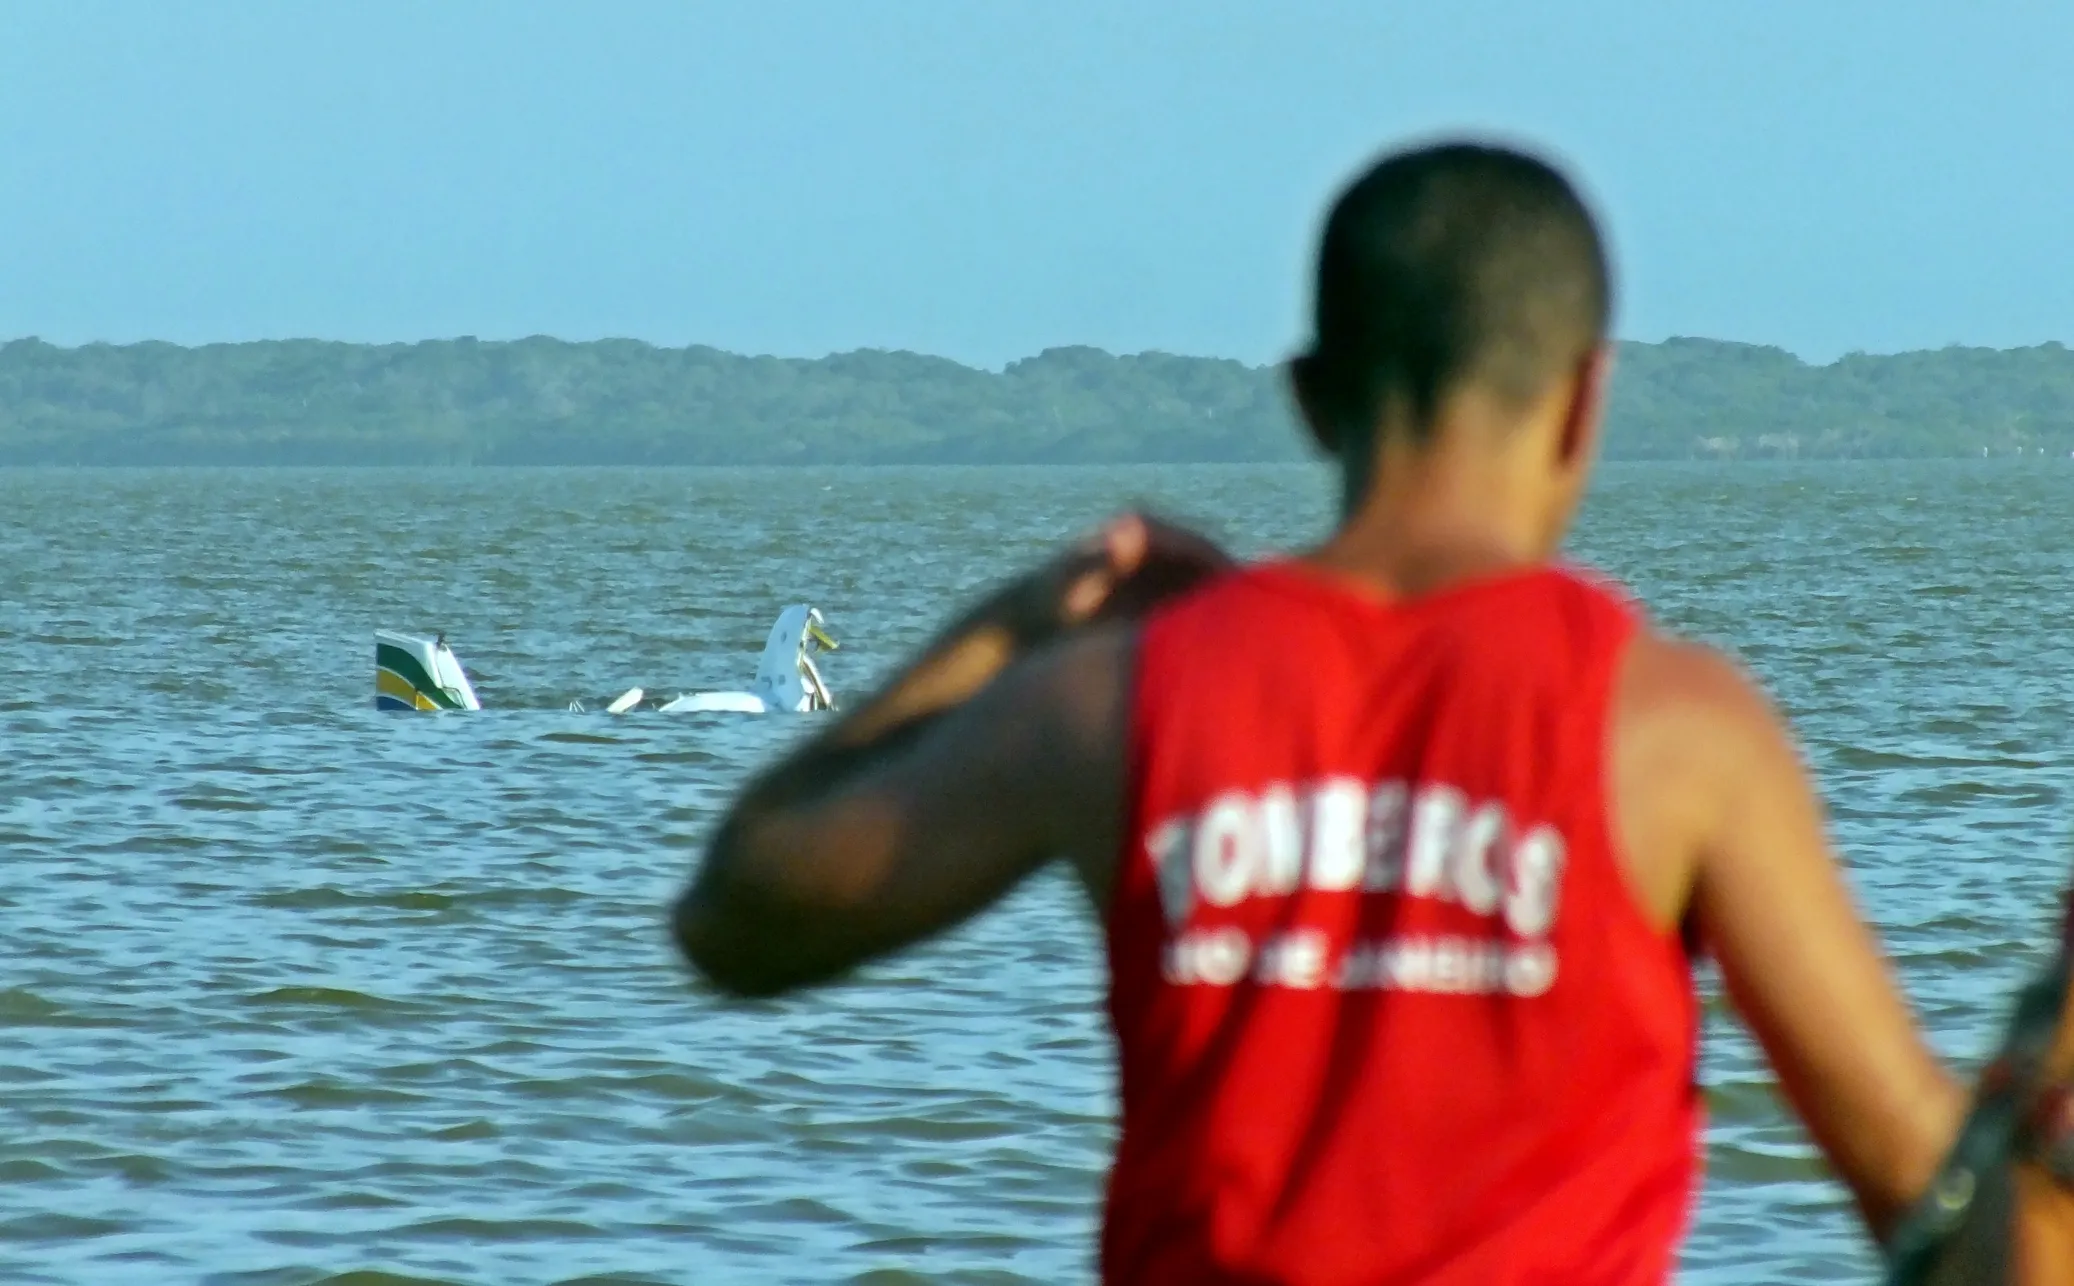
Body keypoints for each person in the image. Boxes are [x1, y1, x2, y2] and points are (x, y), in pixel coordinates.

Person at [671, 140, 2074, 1283]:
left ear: (1308, 399)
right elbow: (1942, 1218)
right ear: (1584, 402)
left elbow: (735, 916)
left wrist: (1005, 631)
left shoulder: (1105, 701)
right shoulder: (1677, 733)